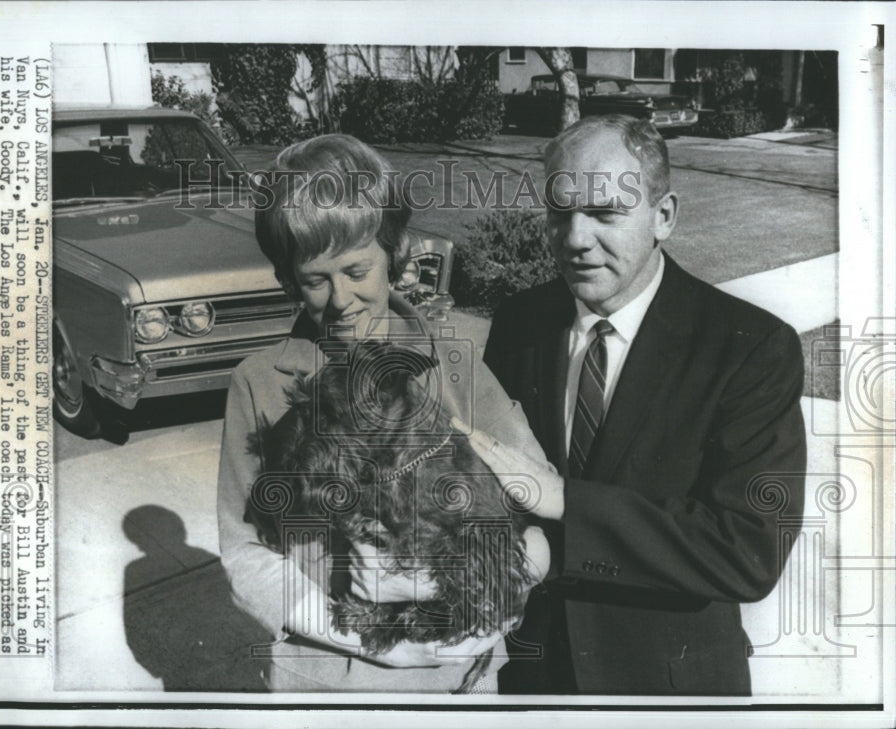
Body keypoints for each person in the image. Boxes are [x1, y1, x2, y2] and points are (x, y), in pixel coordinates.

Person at [471, 114, 807, 695]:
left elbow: (749, 550)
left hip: (670, 688)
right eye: (560, 212)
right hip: (536, 681)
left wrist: (566, 502)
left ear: (664, 216)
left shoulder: (749, 348)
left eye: (604, 213)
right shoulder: (520, 323)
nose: (575, 238)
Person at [216, 133, 550, 692]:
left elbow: (539, 512)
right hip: (325, 678)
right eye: (315, 280)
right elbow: (243, 550)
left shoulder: (455, 365)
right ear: (287, 280)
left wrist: (494, 613)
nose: (341, 300)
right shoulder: (260, 383)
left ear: (395, 254)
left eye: (356, 271)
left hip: (455, 673)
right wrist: (359, 636)